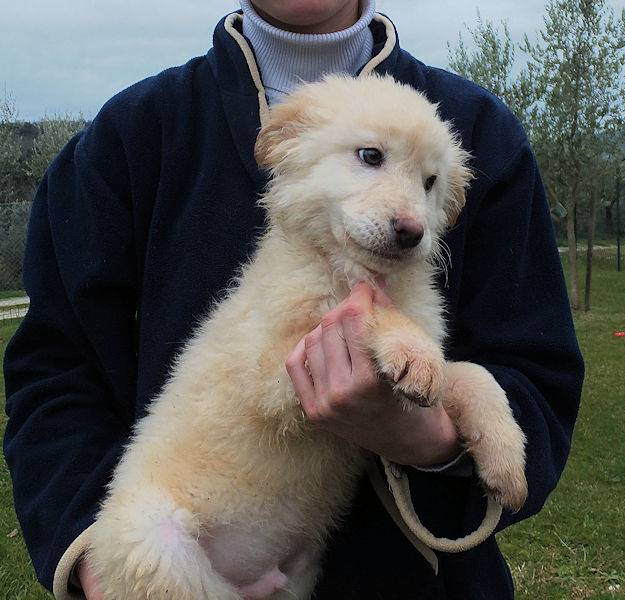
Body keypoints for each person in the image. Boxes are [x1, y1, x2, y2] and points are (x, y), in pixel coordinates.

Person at [2, 0, 584, 598]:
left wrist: (427, 436)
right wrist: (112, 568)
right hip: (179, 539)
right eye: (369, 158)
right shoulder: (127, 139)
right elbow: (54, 374)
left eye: (430, 186)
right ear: (282, 145)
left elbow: (536, 382)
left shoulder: (482, 133)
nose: (410, 215)